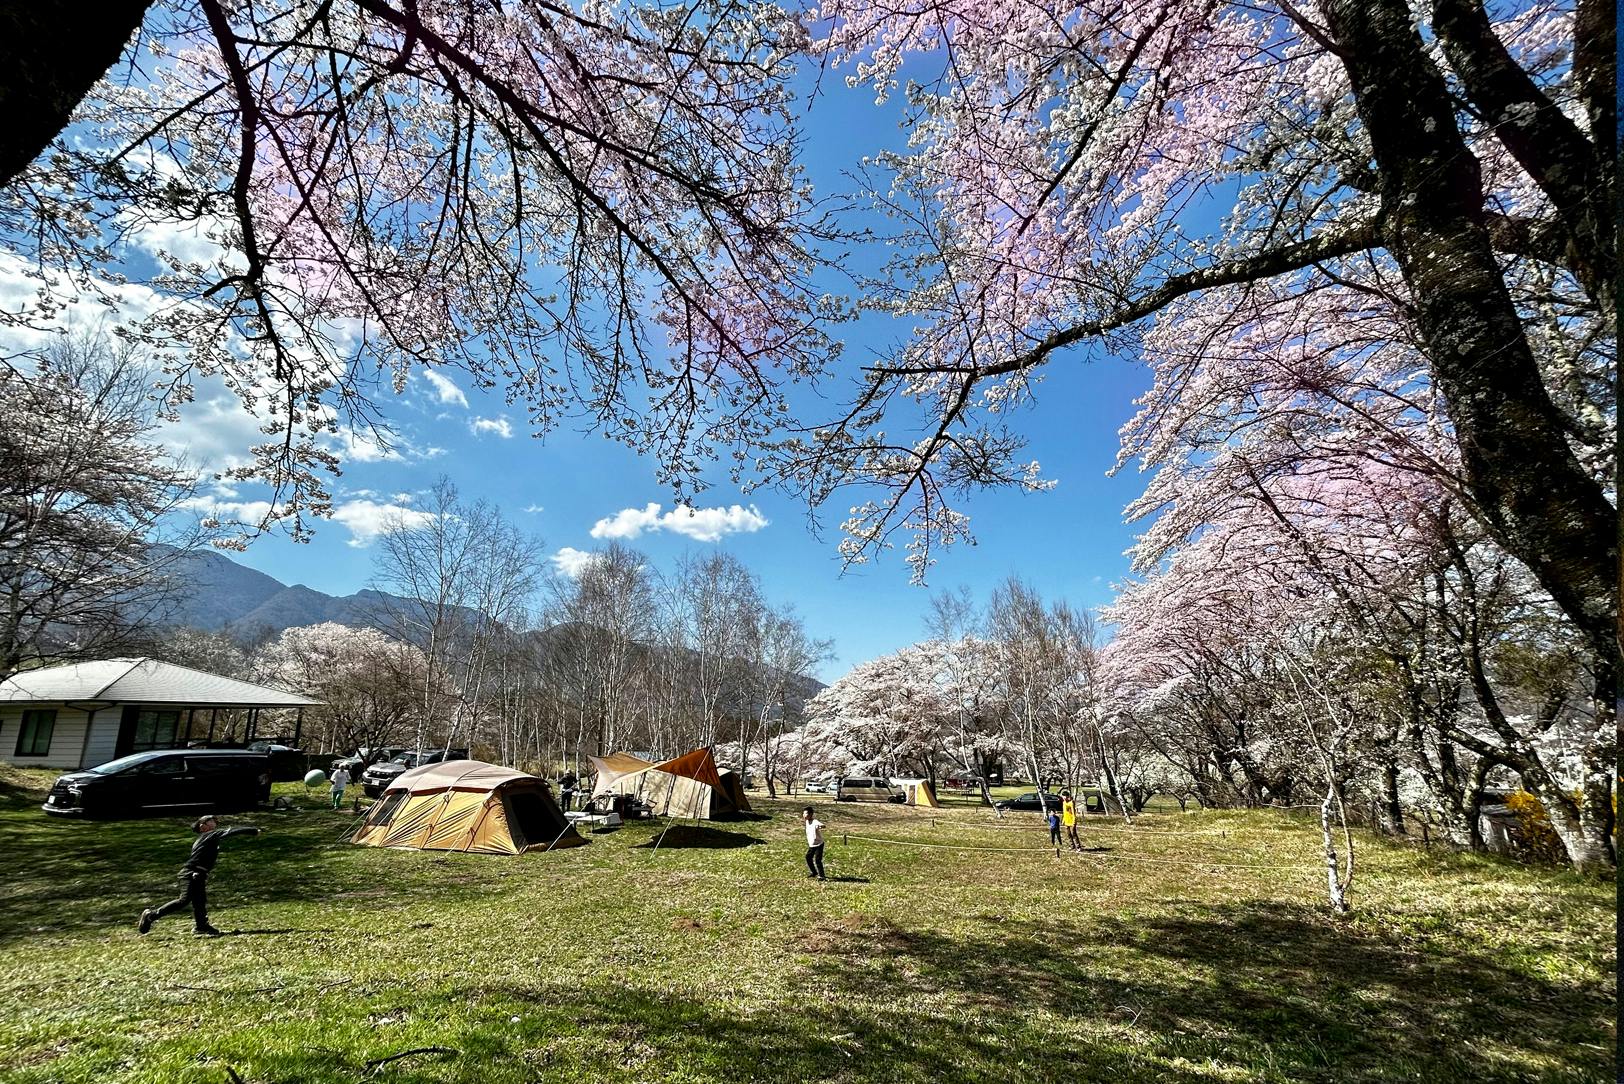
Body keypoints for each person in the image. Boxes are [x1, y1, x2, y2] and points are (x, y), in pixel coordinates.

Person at [138, 815, 262, 936]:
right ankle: (151, 915)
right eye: (211, 821)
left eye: (215, 821)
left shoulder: (207, 838)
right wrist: (253, 830)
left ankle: (201, 926)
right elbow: (231, 831)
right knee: (184, 900)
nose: (215, 823)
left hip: (198, 873)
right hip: (190, 872)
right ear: (203, 826)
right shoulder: (209, 835)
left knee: (200, 901)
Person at [802, 807, 827, 881]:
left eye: (806, 813)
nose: (804, 815)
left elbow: (823, 825)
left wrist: (820, 826)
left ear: (811, 814)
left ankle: (822, 876)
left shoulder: (815, 821)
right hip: (812, 845)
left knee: (817, 860)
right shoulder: (807, 821)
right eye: (803, 813)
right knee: (808, 857)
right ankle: (814, 872)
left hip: (819, 844)